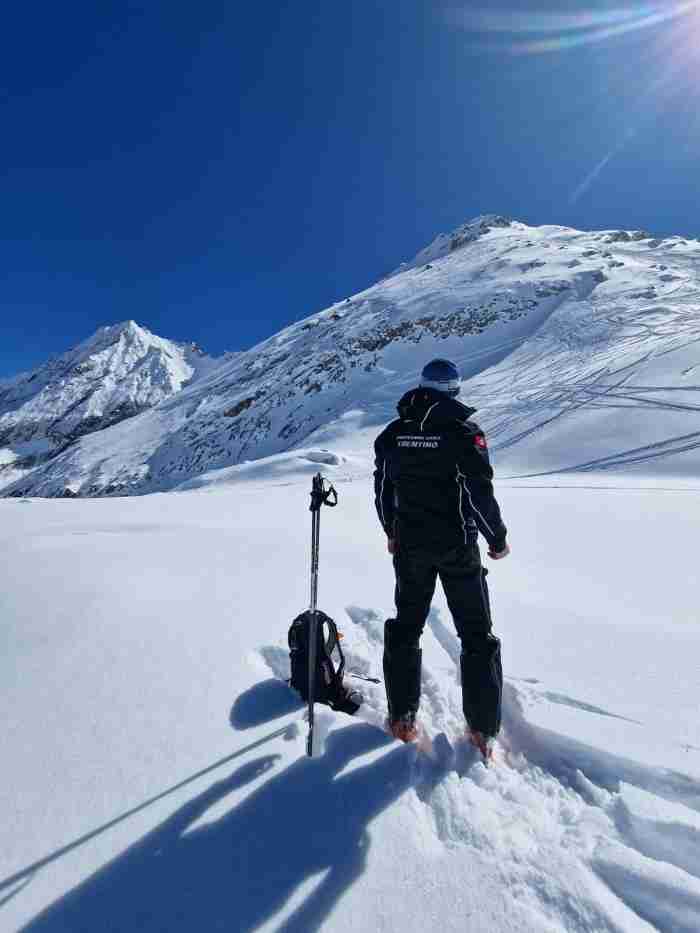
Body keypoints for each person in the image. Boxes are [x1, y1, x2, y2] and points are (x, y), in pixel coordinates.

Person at [373, 358, 510, 760]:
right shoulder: (463, 434)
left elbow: (384, 491)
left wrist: (391, 533)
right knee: (476, 634)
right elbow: (477, 492)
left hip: (411, 548)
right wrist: (496, 538)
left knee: (406, 627)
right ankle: (483, 731)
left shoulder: (394, 434)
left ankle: (401, 718)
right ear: (454, 391)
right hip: (457, 548)